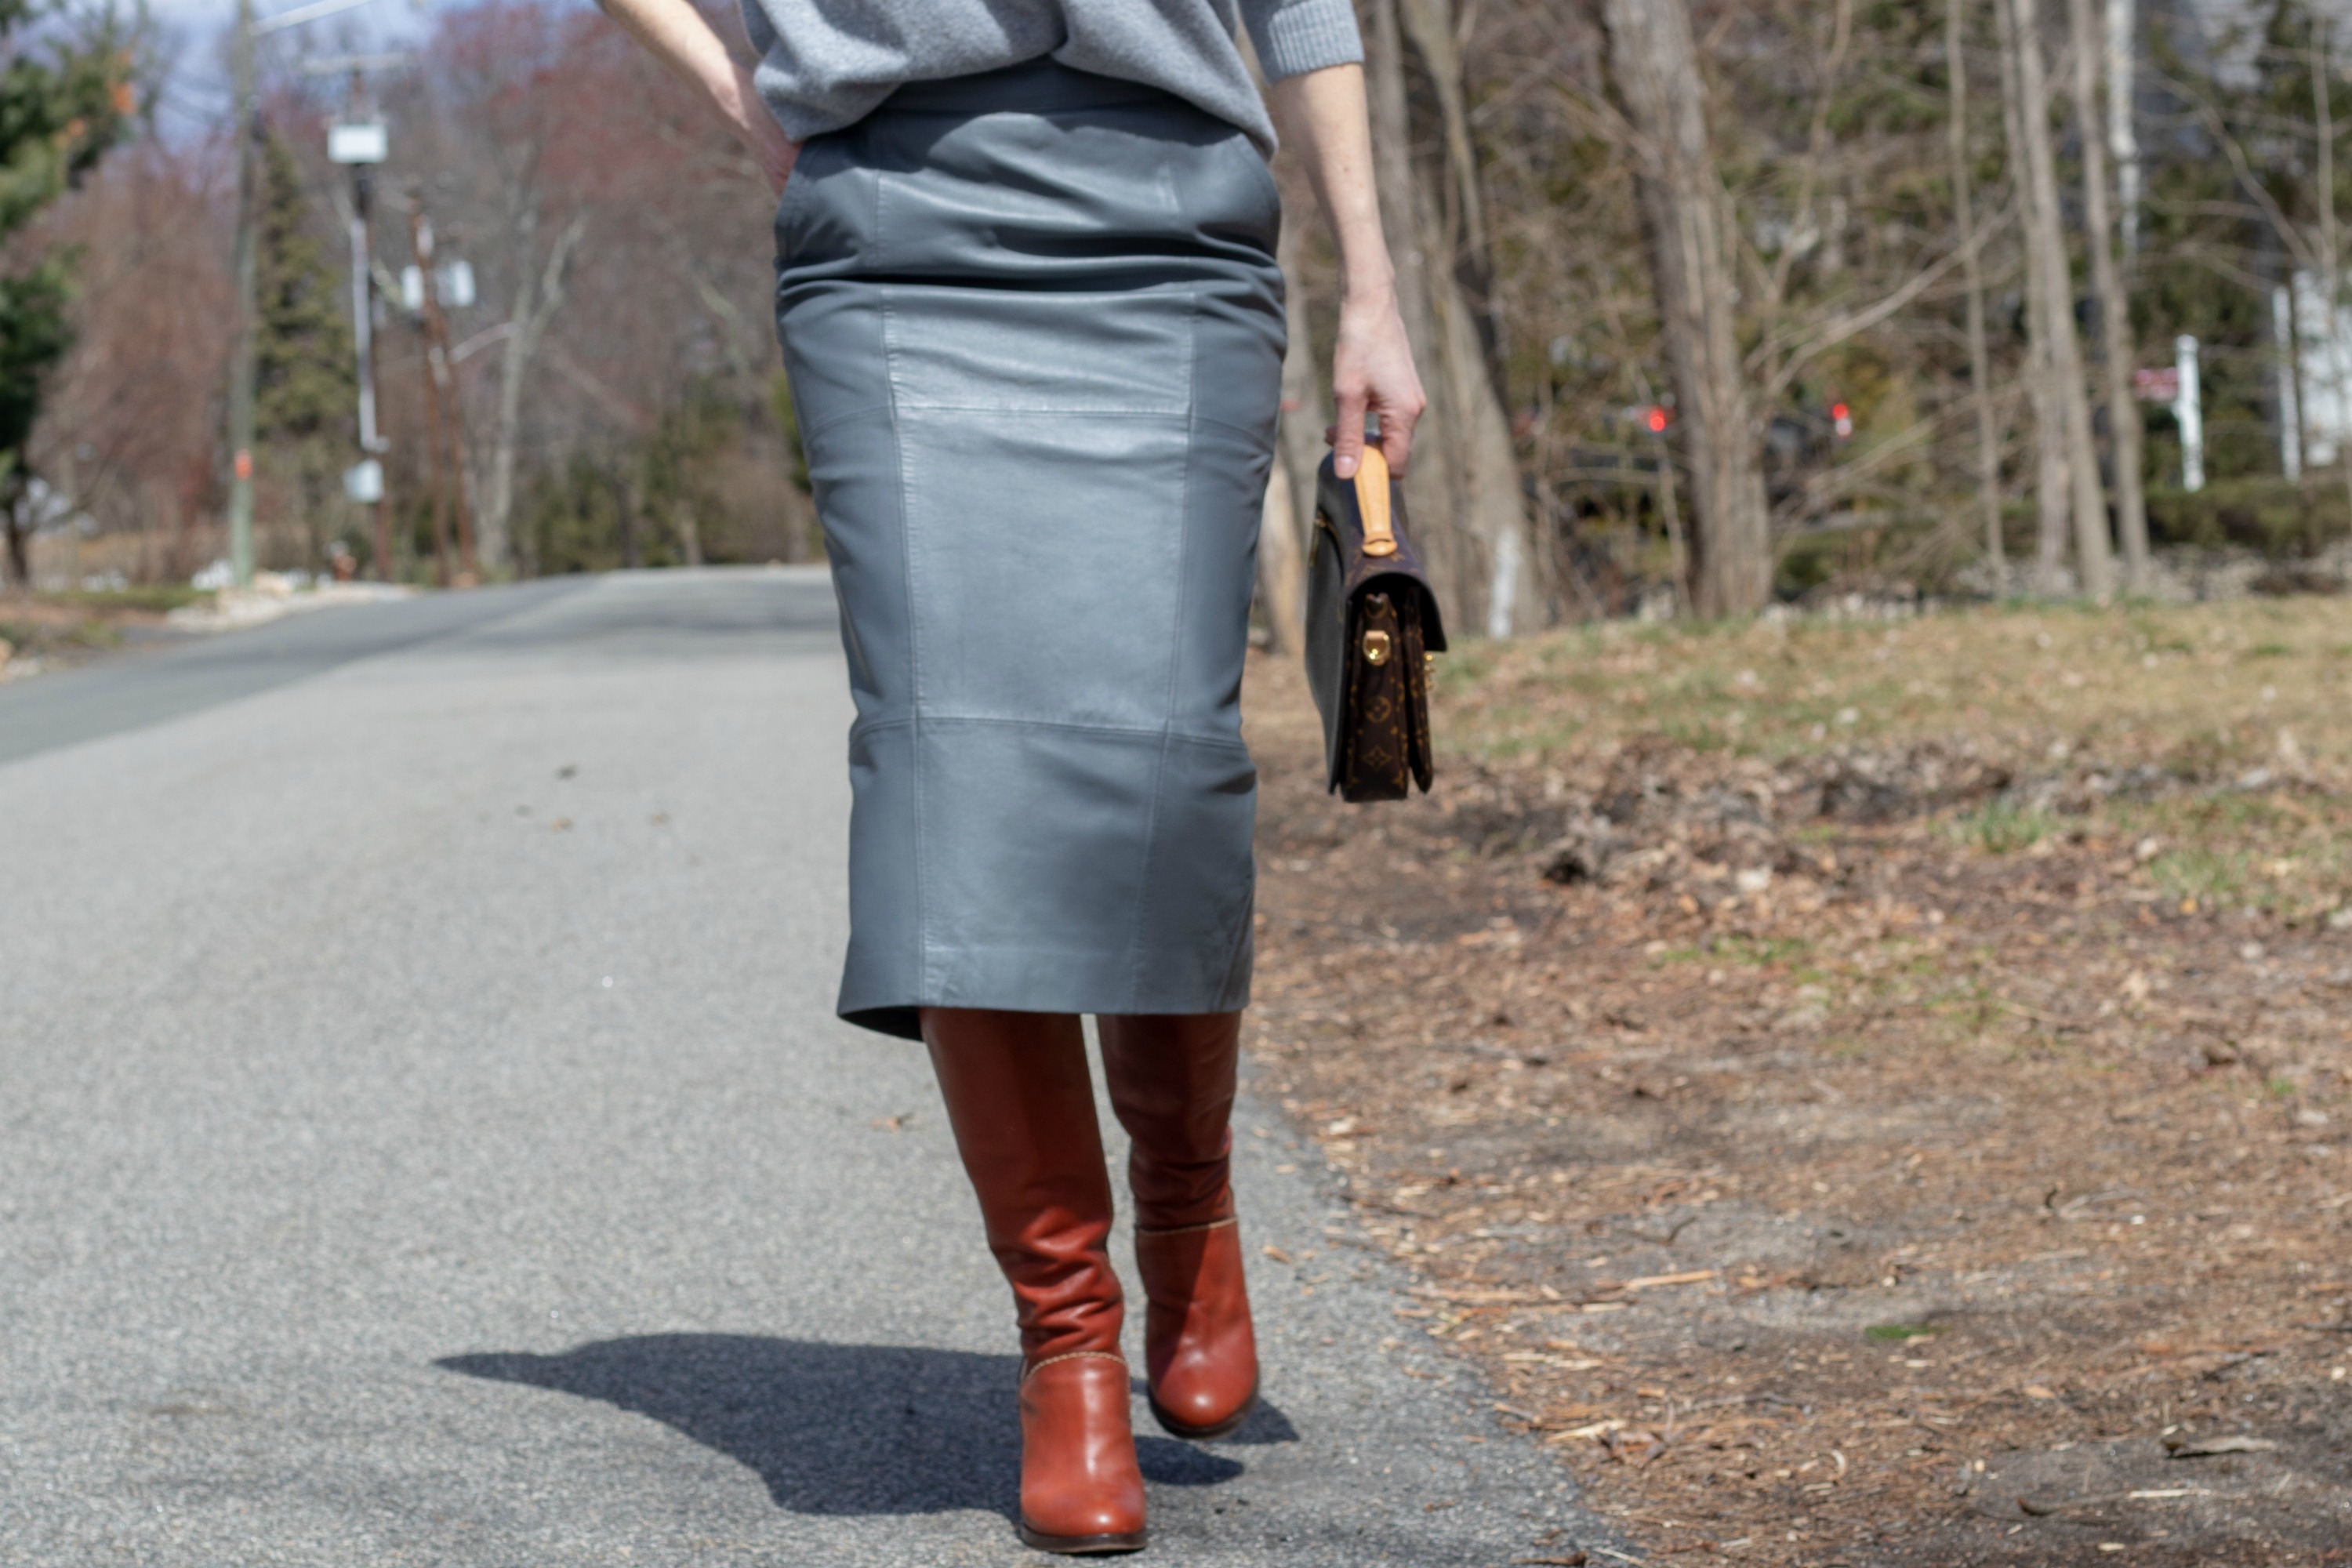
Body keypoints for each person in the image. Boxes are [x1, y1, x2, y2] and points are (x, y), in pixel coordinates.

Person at [593, 0, 1426, 1553]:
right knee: (947, 788)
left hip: (1170, 228)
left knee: (1164, 767)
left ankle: (1187, 1193)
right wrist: (740, 91)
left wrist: (1371, 287)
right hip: (892, 236)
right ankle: (1068, 1341)